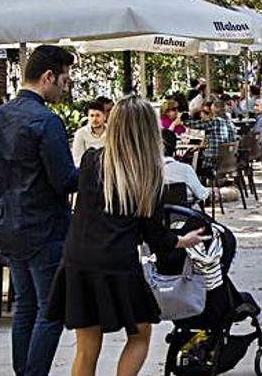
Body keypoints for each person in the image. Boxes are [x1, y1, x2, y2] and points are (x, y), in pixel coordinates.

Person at [45, 96, 209, 376]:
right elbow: (155, 235)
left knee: (85, 347)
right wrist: (183, 241)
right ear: (149, 131)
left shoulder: (91, 161)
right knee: (141, 331)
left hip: (79, 259)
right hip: (118, 262)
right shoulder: (150, 175)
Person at [0, 44, 79, 376]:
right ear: (48, 77)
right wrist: (98, 169)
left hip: (11, 224)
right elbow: (65, 179)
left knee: (25, 307)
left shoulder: (1, 115)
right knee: (50, 310)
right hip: (45, 228)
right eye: (64, 81)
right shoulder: (47, 120)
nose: (65, 87)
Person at [188, 97, 238, 173]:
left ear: (214, 111)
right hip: (229, 160)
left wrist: (183, 120)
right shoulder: (230, 123)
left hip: (213, 162)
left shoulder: (215, 122)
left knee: (190, 160)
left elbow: (195, 125)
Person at [161, 130, 209, 206]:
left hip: (155, 215)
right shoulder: (185, 170)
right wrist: (209, 191)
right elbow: (201, 194)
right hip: (183, 215)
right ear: (174, 147)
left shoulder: (146, 172)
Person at [72, 97, 112, 164]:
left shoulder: (111, 131)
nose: (94, 119)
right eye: (91, 116)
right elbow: (77, 159)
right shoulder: (81, 133)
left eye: (98, 115)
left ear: (104, 116)